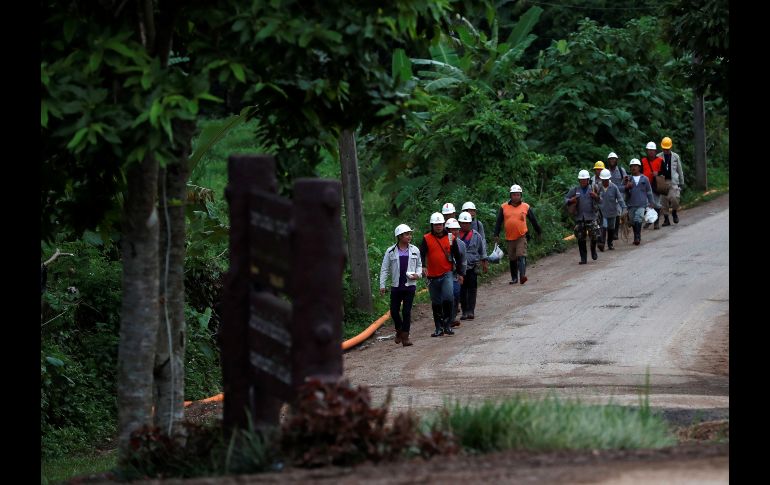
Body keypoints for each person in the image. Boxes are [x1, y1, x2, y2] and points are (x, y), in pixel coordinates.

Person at [419, 213, 465, 337]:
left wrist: (460, 273)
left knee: (449, 297)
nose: (438, 226)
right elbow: (421, 254)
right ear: (432, 225)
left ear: (443, 225)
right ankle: (438, 328)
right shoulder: (426, 238)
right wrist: (423, 266)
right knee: (436, 302)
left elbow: (457, 256)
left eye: (440, 224)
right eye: (436, 224)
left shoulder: (451, 237)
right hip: (432, 275)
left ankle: (447, 325)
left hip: (447, 273)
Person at [379, 224, 422, 347]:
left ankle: (405, 336)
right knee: (393, 311)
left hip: (410, 285)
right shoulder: (390, 251)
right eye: (407, 234)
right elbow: (385, 269)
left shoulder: (415, 250)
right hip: (396, 286)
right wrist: (382, 285)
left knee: (407, 311)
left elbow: (419, 265)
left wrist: (417, 275)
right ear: (399, 236)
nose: (409, 236)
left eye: (410, 234)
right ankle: (399, 329)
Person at [493, 184, 543, 283]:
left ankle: (522, 276)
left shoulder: (525, 207)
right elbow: (499, 221)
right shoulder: (504, 207)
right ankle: (514, 278)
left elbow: (533, 220)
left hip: (521, 236)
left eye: (518, 195)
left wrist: (539, 231)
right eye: (514, 195)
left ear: (521, 195)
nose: (516, 197)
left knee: (521, 255)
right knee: (512, 258)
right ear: (510, 196)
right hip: (509, 237)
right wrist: (496, 234)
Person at [564, 170, 601, 264]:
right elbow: (565, 199)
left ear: (588, 180)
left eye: (584, 180)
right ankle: (583, 258)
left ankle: (593, 250)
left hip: (591, 216)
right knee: (580, 237)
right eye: (581, 180)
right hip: (579, 217)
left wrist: (596, 196)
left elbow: (601, 200)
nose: (583, 181)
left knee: (594, 235)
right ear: (579, 180)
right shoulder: (575, 189)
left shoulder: (593, 188)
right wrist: (571, 200)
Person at [458, 211, 488, 320]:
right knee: (462, 289)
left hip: (473, 266)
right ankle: (464, 310)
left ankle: (471, 310)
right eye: (462, 223)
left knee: (472, 288)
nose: (464, 225)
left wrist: (484, 261)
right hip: (460, 268)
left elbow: (482, 249)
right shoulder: (455, 236)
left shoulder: (476, 235)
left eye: (467, 223)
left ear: (470, 223)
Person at [624, 159, 655, 245]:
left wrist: (651, 202)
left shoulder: (644, 179)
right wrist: (627, 186)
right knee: (633, 221)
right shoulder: (628, 179)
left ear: (639, 167)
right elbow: (622, 190)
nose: (633, 168)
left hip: (642, 204)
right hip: (631, 204)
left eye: (635, 166)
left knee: (638, 218)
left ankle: (637, 236)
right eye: (632, 166)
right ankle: (636, 236)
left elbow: (649, 191)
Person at [656, 136, 685, 226]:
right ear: (662, 148)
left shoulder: (676, 157)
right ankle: (666, 219)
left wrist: (681, 182)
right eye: (664, 149)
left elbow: (680, 170)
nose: (666, 150)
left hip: (673, 181)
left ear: (670, 147)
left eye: (667, 149)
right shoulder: (658, 157)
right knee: (663, 201)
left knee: (675, 198)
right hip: (662, 181)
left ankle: (674, 212)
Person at [444, 218, 467, 327]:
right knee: (447, 296)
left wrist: (461, 273)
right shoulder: (443, 243)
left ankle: (452, 318)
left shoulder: (461, 244)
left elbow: (463, 260)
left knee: (456, 293)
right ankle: (446, 318)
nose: (455, 232)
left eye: (457, 230)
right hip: (444, 273)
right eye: (452, 230)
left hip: (455, 274)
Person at [597, 168, 626, 251]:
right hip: (602, 211)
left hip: (613, 211)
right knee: (604, 226)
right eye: (603, 180)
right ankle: (602, 243)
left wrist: (624, 208)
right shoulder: (598, 186)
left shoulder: (614, 187)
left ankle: (610, 243)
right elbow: (595, 198)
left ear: (609, 179)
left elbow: (620, 198)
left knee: (611, 228)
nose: (604, 181)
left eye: (606, 180)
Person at [641, 141, 663, 230]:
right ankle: (650, 220)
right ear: (647, 151)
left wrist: (658, 173)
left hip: (655, 185)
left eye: (652, 150)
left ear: (655, 151)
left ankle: (656, 222)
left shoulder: (660, 161)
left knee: (656, 204)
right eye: (649, 150)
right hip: (645, 186)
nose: (651, 152)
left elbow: (666, 172)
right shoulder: (643, 161)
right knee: (646, 204)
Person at [605, 152, 627, 241]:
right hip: (609, 196)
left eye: (614, 159)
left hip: (619, 196)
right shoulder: (605, 172)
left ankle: (615, 233)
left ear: (617, 160)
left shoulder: (622, 171)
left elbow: (626, 184)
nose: (612, 160)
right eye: (610, 159)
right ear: (608, 160)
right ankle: (609, 231)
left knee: (617, 213)